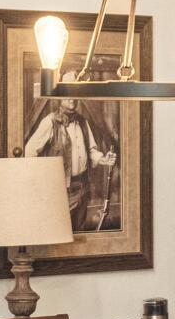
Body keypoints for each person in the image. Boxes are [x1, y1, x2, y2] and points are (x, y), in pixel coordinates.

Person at [22, 73, 120, 230]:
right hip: (61, 190)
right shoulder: (50, 122)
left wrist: (103, 159)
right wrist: (43, 179)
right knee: (60, 231)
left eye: (76, 93)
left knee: (79, 232)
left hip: (83, 187)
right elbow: (29, 152)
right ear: (59, 97)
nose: (72, 98)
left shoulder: (82, 122)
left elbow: (91, 150)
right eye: (68, 93)